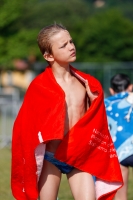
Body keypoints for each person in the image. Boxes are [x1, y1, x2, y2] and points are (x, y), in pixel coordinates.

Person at [11, 23, 123, 200]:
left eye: (71, 41)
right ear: (48, 55)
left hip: (78, 156)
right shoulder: (39, 87)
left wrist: (94, 104)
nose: (71, 47)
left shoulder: (87, 84)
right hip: (50, 157)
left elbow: (94, 122)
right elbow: (25, 127)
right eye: (63, 45)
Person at [104, 73, 133, 200]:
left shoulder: (105, 103)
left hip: (119, 151)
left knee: (121, 196)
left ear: (111, 90)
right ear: (130, 87)